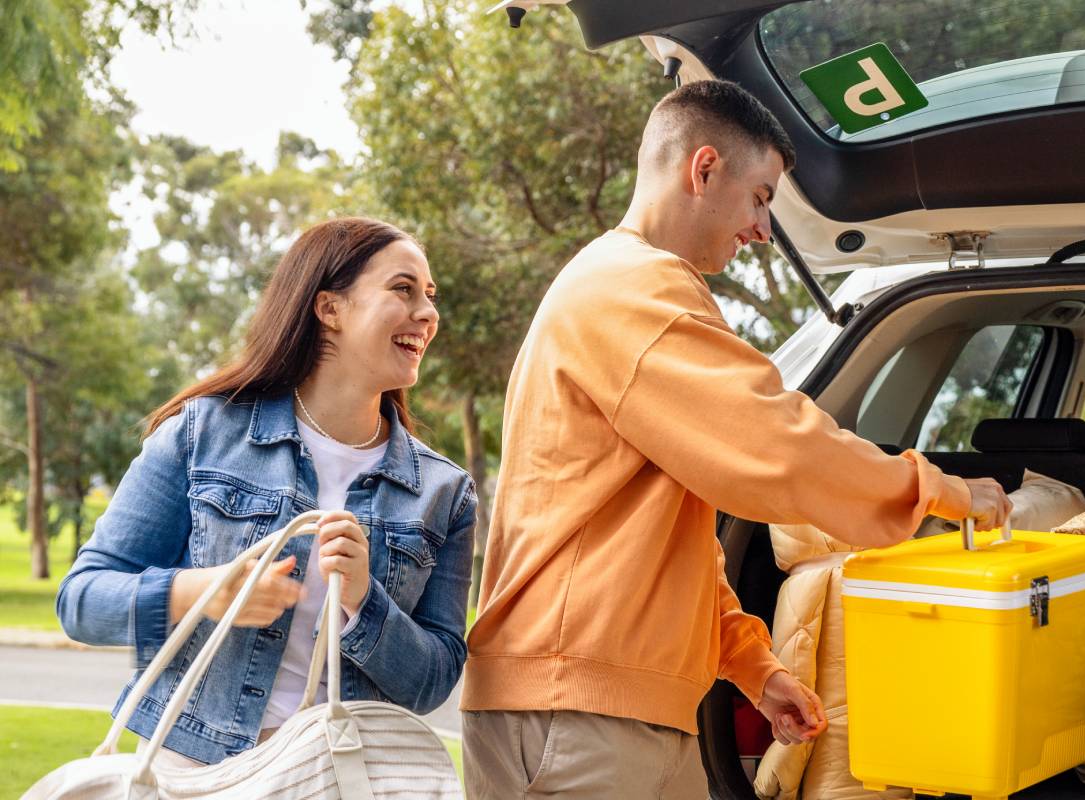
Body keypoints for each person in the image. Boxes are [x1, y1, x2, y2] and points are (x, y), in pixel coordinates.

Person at [460, 79, 1012, 798]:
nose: (761, 229)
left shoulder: (628, 290)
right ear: (704, 168)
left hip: (611, 705)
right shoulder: (632, 289)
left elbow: (671, 538)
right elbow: (779, 445)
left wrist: (755, 666)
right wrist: (942, 491)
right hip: (575, 706)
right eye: (761, 197)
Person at [57, 217, 475, 766]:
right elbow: (82, 600)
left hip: (342, 778)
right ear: (329, 309)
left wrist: (361, 600)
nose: (428, 313)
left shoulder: (444, 491)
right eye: (403, 289)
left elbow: (434, 681)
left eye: (430, 295)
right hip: (194, 774)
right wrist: (205, 592)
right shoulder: (202, 432)